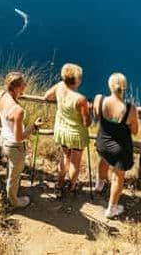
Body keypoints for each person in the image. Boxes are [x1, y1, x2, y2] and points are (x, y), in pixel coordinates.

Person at [93, 73, 138, 219]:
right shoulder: (130, 109)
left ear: (110, 85)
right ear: (124, 87)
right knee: (118, 177)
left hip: (102, 142)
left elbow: (97, 116)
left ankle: (99, 184)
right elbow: (135, 131)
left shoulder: (99, 99)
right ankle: (111, 209)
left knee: (104, 158)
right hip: (119, 148)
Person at [0, 71, 44, 208]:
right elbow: (19, 137)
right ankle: (14, 201)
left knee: (11, 169)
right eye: (23, 84)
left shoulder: (0, 94)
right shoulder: (18, 111)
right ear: (16, 88)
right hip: (14, 146)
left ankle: (9, 192)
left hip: (3, 138)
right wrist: (34, 126)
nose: (26, 85)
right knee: (14, 175)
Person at [43, 63, 90, 194]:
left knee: (64, 157)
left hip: (62, 130)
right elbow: (87, 123)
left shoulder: (59, 86)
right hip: (76, 135)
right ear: (77, 80)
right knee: (75, 163)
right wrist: (87, 108)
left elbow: (47, 96)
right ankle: (72, 186)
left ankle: (59, 183)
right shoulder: (80, 99)